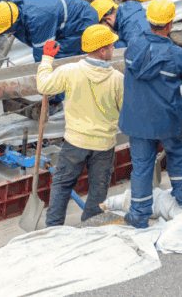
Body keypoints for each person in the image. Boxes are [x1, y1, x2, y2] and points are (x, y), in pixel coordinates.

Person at [119, 0, 182, 228]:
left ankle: (139, 214)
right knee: (176, 153)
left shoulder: (132, 46)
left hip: (136, 120)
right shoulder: (175, 54)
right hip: (165, 120)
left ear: (148, 21)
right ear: (170, 25)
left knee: (141, 166)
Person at [37, 24, 124, 226]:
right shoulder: (118, 80)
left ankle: (53, 228)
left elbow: (43, 86)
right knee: (98, 189)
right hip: (103, 144)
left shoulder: (69, 71)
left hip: (74, 141)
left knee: (62, 184)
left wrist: (47, 58)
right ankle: (90, 226)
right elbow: (125, 111)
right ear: (102, 51)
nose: (114, 48)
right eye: (111, 46)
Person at [0, 0, 102, 63]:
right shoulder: (10, 11)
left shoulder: (38, 20)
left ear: (14, 24)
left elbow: (42, 55)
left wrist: (40, 81)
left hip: (81, 21)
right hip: (63, 17)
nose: (3, 33)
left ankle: (56, 99)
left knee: (58, 56)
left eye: (5, 30)